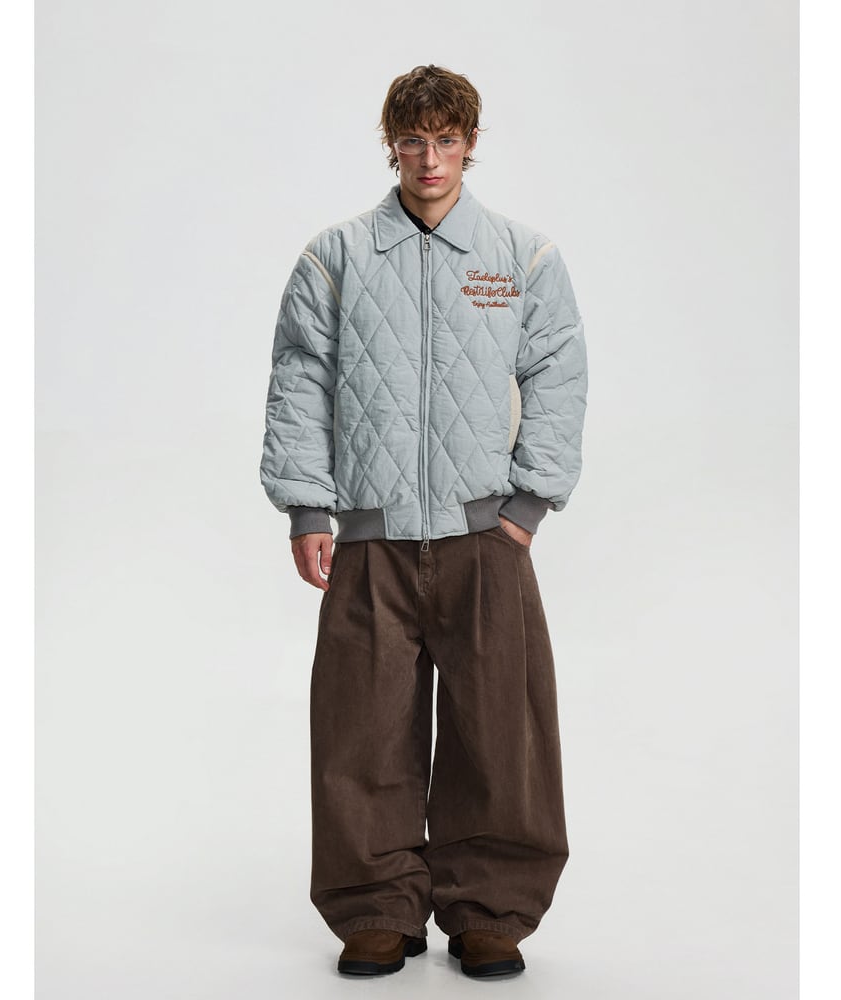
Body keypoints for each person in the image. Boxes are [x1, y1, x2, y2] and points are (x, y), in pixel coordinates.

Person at [260, 64, 588, 978]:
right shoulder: (335, 258)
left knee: (501, 732)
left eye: (446, 140)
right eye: (413, 141)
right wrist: (308, 504)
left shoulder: (521, 257)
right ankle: (377, 907)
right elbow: (300, 380)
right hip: (371, 538)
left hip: (486, 538)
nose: (429, 158)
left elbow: (558, 373)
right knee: (361, 732)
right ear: (392, 145)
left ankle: (490, 909)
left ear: (470, 144)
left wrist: (528, 503)